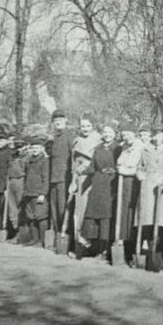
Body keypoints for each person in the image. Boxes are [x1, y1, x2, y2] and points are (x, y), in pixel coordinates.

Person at [136, 122, 163, 270]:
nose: (157, 136)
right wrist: (140, 175)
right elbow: (140, 167)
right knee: (148, 222)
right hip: (148, 187)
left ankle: (158, 256)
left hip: (162, 189)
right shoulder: (146, 149)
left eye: (160, 133)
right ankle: (149, 254)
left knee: (161, 222)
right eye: (154, 133)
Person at [80, 123, 120, 260]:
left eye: (110, 132)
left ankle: (105, 250)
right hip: (97, 184)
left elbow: (121, 166)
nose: (107, 134)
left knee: (106, 217)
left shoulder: (118, 148)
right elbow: (92, 167)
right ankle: (93, 247)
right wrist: (82, 171)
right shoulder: (98, 148)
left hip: (110, 184)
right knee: (93, 216)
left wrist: (114, 171)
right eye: (105, 132)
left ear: (115, 133)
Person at [70, 114, 103, 251]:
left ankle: (94, 243)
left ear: (93, 126)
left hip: (94, 178)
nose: (85, 129)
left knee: (92, 210)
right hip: (80, 178)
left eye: (88, 126)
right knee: (79, 210)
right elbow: (73, 163)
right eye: (83, 126)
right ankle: (80, 240)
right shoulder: (76, 141)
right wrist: (73, 182)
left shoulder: (99, 140)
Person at [115, 120, 143, 265]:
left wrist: (125, 171)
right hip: (122, 186)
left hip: (134, 186)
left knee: (132, 217)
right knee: (123, 217)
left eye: (129, 134)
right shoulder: (123, 147)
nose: (126, 137)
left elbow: (139, 168)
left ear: (134, 134)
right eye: (124, 135)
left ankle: (132, 252)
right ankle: (124, 250)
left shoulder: (140, 147)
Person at [48, 110, 75, 239]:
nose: (58, 122)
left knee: (63, 208)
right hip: (53, 177)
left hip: (64, 178)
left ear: (66, 121)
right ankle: (57, 235)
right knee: (53, 208)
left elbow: (74, 158)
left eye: (60, 120)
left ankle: (65, 236)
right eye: (55, 121)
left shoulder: (70, 136)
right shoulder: (54, 138)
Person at [21, 136, 50, 247]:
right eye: (32, 148)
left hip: (39, 193)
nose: (34, 150)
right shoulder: (29, 161)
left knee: (41, 216)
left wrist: (43, 193)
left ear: (42, 148)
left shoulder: (44, 161)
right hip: (29, 192)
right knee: (31, 216)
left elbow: (45, 178)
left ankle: (42, 241)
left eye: (37, 148)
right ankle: (34, 239)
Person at [6, 137, 27, 240]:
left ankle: (21, 232)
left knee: (21, 207)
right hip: (11, 181)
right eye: (17, 147)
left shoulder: (27, 156)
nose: (19, 149)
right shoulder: (12, 156)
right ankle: (15, 229)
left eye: (21, 147)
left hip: (21, 181)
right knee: (12, 208)